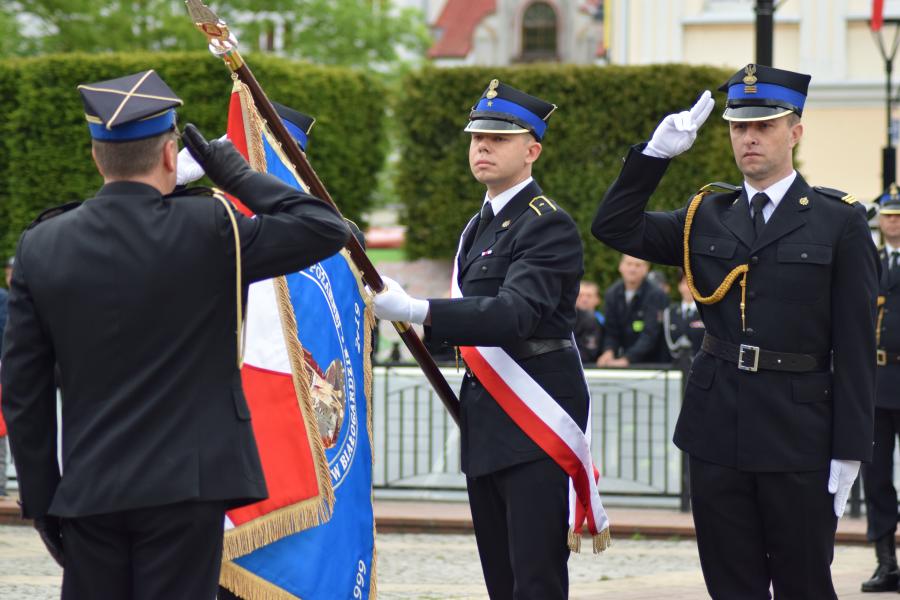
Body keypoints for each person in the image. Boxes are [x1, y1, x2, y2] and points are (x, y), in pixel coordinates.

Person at [0, 70, 349, 599]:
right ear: (171, 155)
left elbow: (23, 392)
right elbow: (325, 227)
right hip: (191, 486)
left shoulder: (42, 245)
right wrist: (234, 174)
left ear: (98, 157)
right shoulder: (211, 229)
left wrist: (43, 499)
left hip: (91, 488)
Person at [592, 64, 878, 599]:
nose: (749, 137)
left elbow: (857, 346)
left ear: (795, 131)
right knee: (730, 584)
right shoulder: (706, 213)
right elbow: (614, 226)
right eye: (738, 126)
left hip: (799, 433)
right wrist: (653, 157)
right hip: (718, 425)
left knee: (804, 584)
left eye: (764, 125)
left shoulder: (837, 221)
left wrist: (850, 449)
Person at [371, 79, 609, 599]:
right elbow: (469, 323)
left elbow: (514, 315)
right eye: (476, 136)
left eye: (499, 138)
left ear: (532, 150)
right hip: (487, 420)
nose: (482, 145)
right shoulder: (476, 228)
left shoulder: (548, 226)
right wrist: (404, 318)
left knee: (535, 579)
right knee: (501, 579)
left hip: (535, 416)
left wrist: (418, 308)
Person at [861, 184, 900, 593]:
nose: (892, 222)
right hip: (875, 383)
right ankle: (886, 561)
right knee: (876, 479)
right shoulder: (870, 260)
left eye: (899, 216)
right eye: (888, 215)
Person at [596, 254, 669, 367]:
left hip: (653, 364)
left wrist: (627, 359)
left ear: (646, 269)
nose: (632, 269)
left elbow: (650, 334)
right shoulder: (612, 293)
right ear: (620, 266)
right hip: (623, 362)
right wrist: (608, 351)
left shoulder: (656, 295)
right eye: (629, 264)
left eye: (638, 265)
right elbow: (611, 330)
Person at [662, 271, 705, 362]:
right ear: (679, 286)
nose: (689, 287)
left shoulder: (706, 312)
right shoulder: (670, 312)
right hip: (676, 366)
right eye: (685, 283)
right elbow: (670, 344)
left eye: (693, 283)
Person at [574, 281, 604, 364]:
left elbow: (589, 354)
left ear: (597, 299)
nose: (584, 299)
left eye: (589, 296)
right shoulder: (568, 320)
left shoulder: (600, 322)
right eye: (580, 296)